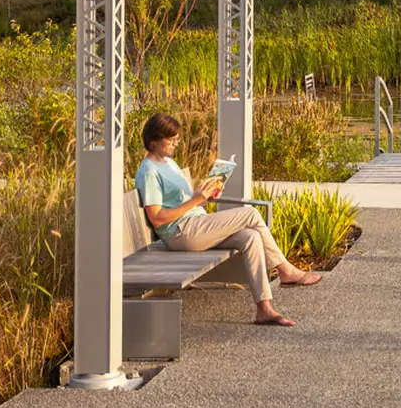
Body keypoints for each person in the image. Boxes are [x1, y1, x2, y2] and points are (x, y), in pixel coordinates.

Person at [133, 111, 319, 327]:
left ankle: (264, 309)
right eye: (171, 139)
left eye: (177, 138)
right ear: (154, 141)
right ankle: (286, 270)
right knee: (250, 213)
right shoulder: (149, 171)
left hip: (196, 224)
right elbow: (156, 218)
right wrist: (195, 200)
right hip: (181, 233)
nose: (176, 143)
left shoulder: (168, 163)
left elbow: (183, 202)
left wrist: (206, 197)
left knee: (249, 237)